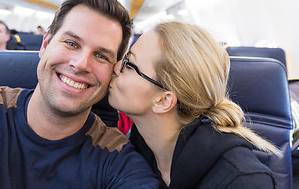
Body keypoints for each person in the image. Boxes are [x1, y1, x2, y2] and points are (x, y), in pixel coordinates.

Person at [0, 0, 159, 188]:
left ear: (113, 71)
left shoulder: (117, 160)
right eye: (72, 43)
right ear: (45, 45)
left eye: (101, 56)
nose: (81, 64)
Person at [109, 21, 280, 188]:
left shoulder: (242, 180)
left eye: (129, 64)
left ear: (163, 101)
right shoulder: (141, 147)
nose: (115, 67)